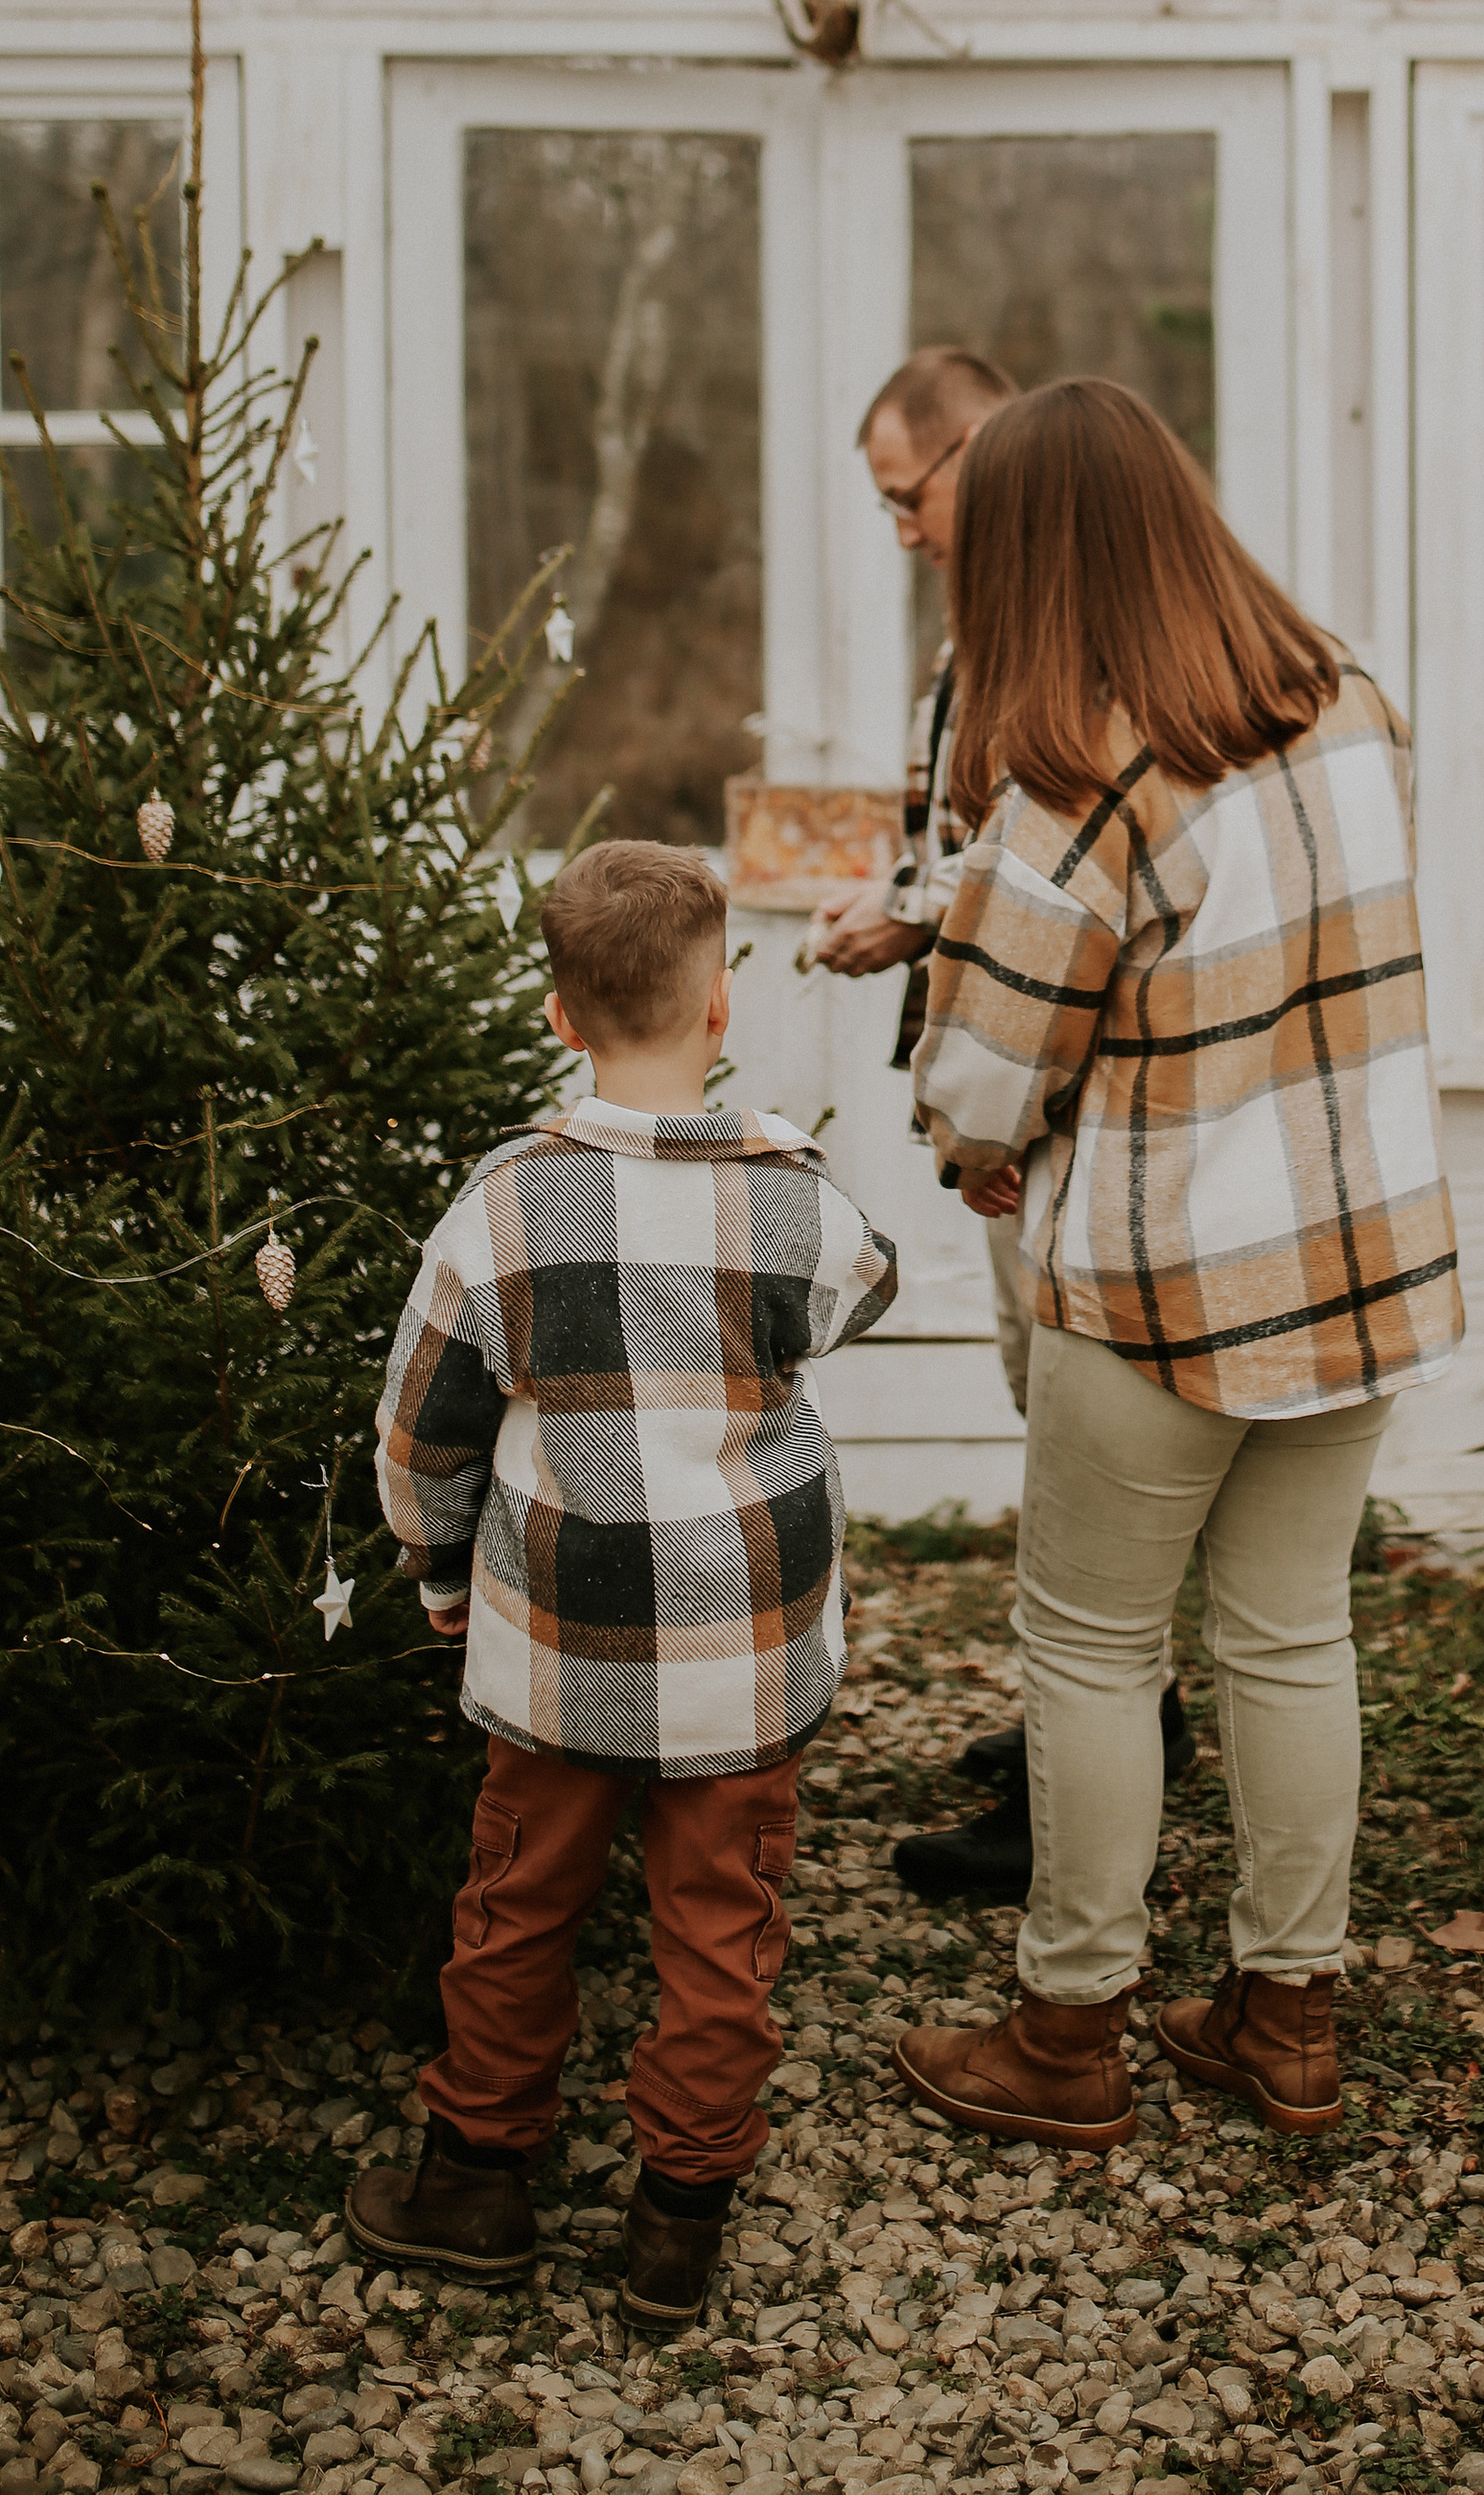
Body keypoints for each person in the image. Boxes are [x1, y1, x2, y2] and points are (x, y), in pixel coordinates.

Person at [891, 379, 1463, 2152]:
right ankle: (1289, 2015)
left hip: (1161, 1284)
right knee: (1293, 1634)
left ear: (1036, 558)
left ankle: (1071, 2036)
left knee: (1087, 1642)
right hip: (1356, 1258)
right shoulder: (1354, 704)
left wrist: (974, 1151)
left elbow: (985, 1069)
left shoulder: (1080, 769)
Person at [353, 840, 896, 2322]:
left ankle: (474, 2181)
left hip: (555, 1639)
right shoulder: (793, 1197)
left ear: (556, 1016)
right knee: (723, 1923)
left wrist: (438, 1579)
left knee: (518, 1900)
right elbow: (869, 1286)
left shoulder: (504, 1205)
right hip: (744, 1642)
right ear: (722, 1010)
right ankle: (678, 2223)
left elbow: (421, 1436)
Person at [810, 342, 1192, 1900]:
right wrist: (909, 910)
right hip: (1008, 1120)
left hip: (1060, 1114)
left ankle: (1089, 1770)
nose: (902, 527)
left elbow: (1048, 883)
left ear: (980, 452)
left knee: (1086, 1460)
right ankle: (1109, 1718)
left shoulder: (1073, 654)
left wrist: (927, 944)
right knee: (1049, 1416)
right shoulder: (972, 645)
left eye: (910, 494)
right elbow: (983, 861)